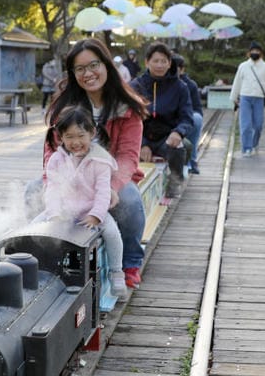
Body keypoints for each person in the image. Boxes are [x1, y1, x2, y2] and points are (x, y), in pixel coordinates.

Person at [39, 38, 149, 289]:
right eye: (80, 69)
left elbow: (127, 156)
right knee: (32, 193)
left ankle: (130, 262)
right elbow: (51, 151)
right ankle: (42, 256)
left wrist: (111, 185)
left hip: (107, 176)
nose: (88, 73)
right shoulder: (65, 107)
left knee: (129, 200)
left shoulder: (126, 108)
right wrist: (51, 184)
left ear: (107, 65)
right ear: (73, 73)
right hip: (70, 176)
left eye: (93, 65)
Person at [35, 105, 127, 298]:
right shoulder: (56, 160)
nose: (75, 142)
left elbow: (103, 192)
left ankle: (117, 271)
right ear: (60, 137)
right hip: (63, 210)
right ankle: (39, 270)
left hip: (91, 210)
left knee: (112, 233)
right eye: (69, 137)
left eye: (80, 135)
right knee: (35, 227)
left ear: (92, 133)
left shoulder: (100, 161)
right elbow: (52, 189)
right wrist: (54, 214)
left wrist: (95, 215)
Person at [131, 42, 194, 198]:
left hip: (166, 138)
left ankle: (175, 182)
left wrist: (178, 132)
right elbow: (129, 120)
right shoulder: (135, 86)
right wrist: (142, 144)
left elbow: (187, 117)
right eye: (155, 61)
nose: (159, 65)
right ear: (147, 62)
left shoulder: (180, 87)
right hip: (140, 137)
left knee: (183, 146)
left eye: (163, 61)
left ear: (169, 63)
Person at [229, 40, 265, 157]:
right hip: (245, 97)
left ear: (260, 53)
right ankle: (246, 148)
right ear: (249, 52)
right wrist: (234, 97)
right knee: (245, 125)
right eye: (253, 51)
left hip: (259, 98)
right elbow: (237, 82)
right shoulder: (243, 66)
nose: (255, 52)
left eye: (257, 51)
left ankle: (255, 144)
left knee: (258, 125)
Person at [174, 54, 203, 175]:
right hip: (169, 117)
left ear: (182, 69)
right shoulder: (163, 83)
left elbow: (197, 108)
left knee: (195, 120)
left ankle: (192, 160)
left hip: (187, 116)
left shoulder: (190, 85)